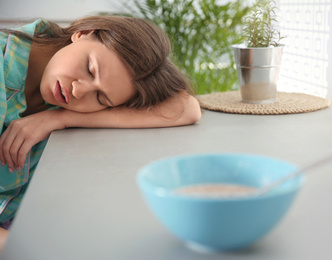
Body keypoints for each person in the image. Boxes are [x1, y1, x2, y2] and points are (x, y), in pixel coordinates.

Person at [0, 16, 201, 251]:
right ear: (84, 32)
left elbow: (185, 108)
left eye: (100, 98)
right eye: (90, 69)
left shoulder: (65, 102)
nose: (78, 90)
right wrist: (19, 249)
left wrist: (61, 117)